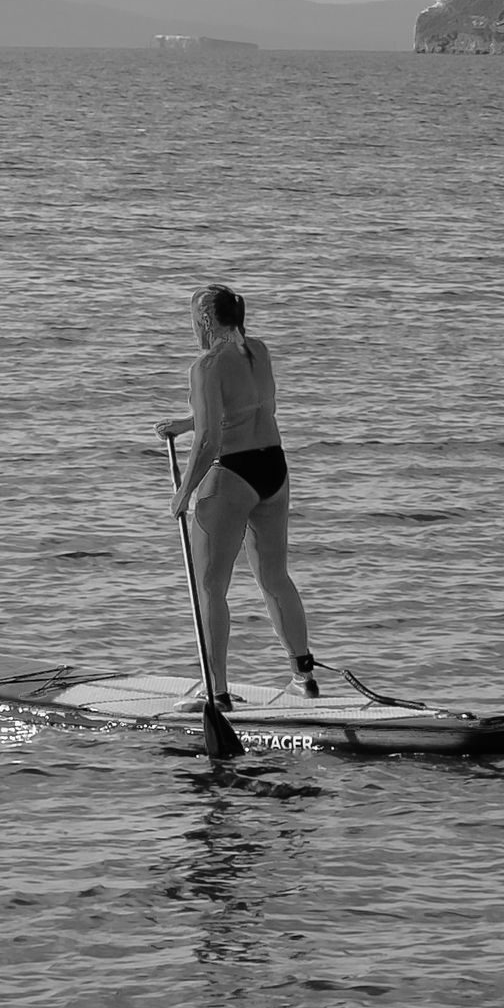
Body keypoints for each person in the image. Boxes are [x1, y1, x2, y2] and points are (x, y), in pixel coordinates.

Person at [155, 284, 321, 700]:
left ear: (207, 320)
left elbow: (211, 440)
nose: (193, 328)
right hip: (273, 470)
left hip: (231, 474)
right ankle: (305, 679)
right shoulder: (259, 351)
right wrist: (184, 423)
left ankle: (217, 692)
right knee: (274, 577)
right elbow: (253, 408)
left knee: (210, 587)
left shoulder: (206, 365)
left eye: (194, 320)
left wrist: (184, 493)